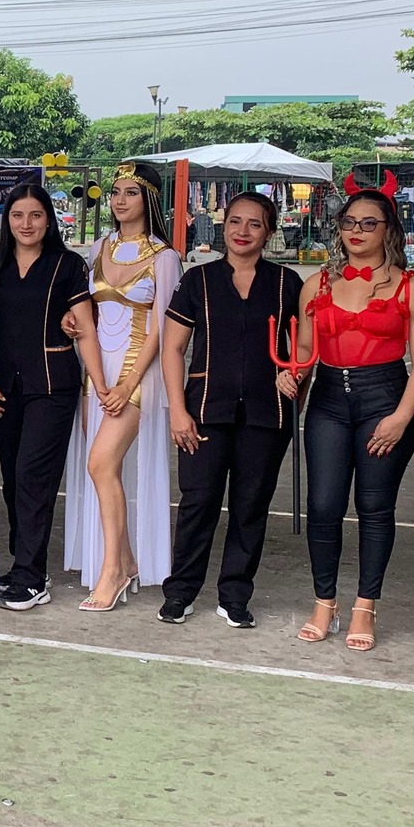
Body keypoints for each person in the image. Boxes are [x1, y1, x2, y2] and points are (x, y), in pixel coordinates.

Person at [278, 185, 414, 651]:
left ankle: (366, 605)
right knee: (323, 505)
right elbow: (305, 350)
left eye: (369, 223)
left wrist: (402, 417)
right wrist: (292, 374)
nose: (357, 231)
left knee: (374, 506)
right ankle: (324, 602)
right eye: (349, 223)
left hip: (384, 397)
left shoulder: (410, 287)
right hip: (328, 397)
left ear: (389, 230)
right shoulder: (317, 284)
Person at [158, 193, 299, 629]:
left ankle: (235, 594)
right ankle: (181, 591)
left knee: (250, 505)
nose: (243, 231)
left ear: (269, 232)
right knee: (198, 502)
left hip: (267, 413)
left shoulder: (287, 283)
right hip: (204, 409)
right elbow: (173, 349)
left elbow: (304, 346)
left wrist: (295, 374)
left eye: (254, 224)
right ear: (223, 226)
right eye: (235, 221)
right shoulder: (198, 280)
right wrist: (178, 410)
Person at [62, 161, 181, 609]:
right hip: (96, 371)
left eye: (131, 192)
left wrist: (129, 381)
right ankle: (124, 559)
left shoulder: (165, 257)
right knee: (100, 467)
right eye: (115, 192)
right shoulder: (99, 247)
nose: (120, 200)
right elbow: (87, 310)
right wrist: (69, 319)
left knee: (100, 463)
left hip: (139, 372)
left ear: (149, 199)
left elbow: (164, 328)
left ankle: (115, 568)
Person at [0, 181, 98, 610]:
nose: (26, 224)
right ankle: (25, 564)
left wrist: (100, 384)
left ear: (50, 220)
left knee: (33, 476)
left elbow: (87, 323)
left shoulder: (68, 265)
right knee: (13, 479)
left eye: (35, 215)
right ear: (6, 221)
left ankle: (32, 577)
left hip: (52, 386)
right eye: (17, 215)